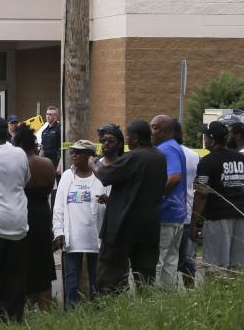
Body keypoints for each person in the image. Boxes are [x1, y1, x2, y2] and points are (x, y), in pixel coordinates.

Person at [95, 120, 167, 294]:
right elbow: (137, 186)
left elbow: (106, 175)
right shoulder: (159, 157)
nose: (127, 139)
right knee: (145, 277)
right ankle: (144, 310)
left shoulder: (135, 156)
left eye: (128, 136)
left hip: (122, 227)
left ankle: (112, 312)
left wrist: (93, 163)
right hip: (149, 226)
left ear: (135, 138)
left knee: (110, 277)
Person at [0, 115, 31, 323]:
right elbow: (25, 180)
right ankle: (13, 317)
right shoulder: (19, 154)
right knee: (14, 276)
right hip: (17, 223)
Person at [52, 140, 106, 309]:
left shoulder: (102, 176)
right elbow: (58, 206)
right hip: (72, 239)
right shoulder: (68, 176)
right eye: (72, 152)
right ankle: (71, 312)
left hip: (97, 239)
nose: (73, 155)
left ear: (91, 157)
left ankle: (99, 312)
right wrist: (58, 231)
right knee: (71, 279)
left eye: (79, 152)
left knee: (96, 279)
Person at [14, 125, 57, 311]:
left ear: (20, 144)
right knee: (43, 264)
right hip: (42, 214)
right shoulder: (47, 163)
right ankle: (45, 309)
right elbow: (50, 189)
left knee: (21, 262)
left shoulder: (18, 163)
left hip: (23, 214)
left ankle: (20, 307)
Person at [192, 121, 244, 274]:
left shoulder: (208, 162)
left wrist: (195, 222)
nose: (205, 140)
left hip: (218, 217)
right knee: (238, 265)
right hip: (241, 215)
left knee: (216, 266)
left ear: (213, 140)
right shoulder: (240, 158)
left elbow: (202, 194)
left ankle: (215, 293)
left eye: (206, 137)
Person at [150, 115, 187, 289]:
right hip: (176, 214)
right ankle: (168, 298)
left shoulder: (166, 149)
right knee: (171, 260)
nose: (150, 132)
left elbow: (174, 178)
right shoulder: (174, 147)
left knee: (157, 260)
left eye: (153, 127)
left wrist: (155, 197)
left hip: (165, 213)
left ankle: (154, 302)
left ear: (162, 130)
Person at [175, 122, 200, 288]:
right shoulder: (193, 154)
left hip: (168, 214)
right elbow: (198, 184)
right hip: (188, 211)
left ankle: (168, 292)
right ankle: (190, 292)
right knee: (187, 259)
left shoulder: (163, 153)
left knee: (166, 258)